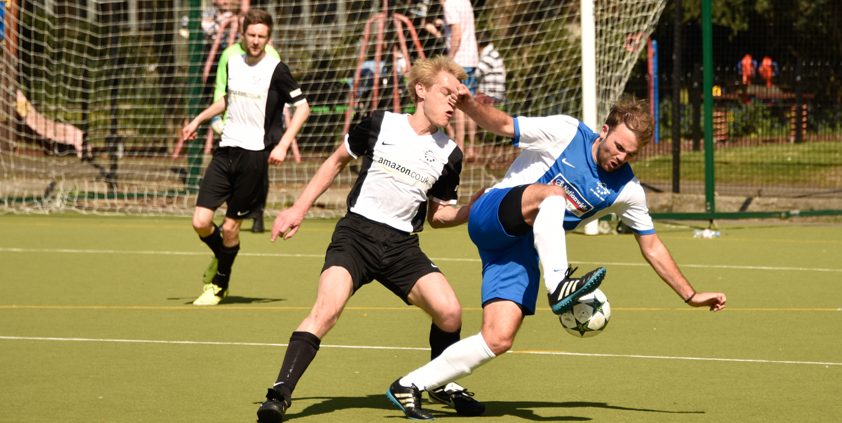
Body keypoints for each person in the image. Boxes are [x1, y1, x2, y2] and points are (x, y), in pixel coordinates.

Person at [385, 95, 728, 420]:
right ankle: (559, 284)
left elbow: (651, 246)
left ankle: (411, 384)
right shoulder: (567, 131)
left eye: (630, 154)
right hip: (492, 212)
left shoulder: (627, 190)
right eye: (619, 146)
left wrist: (691, 295)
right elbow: (504, 125)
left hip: (518, 248)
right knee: (554, 194)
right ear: (604, 130)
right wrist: (470, 105)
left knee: (499, 337)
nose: (621, 157)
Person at [256, 56, 486, 423]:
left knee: (450, 311)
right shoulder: (382, 123)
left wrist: (476, 209)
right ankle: (278, 395)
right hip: (356, 236)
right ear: (421, 90)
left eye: (455, 98)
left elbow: (439, 215)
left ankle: (440, 381)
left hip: (401, 247)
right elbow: (334, 162)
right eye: (445, 93)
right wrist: (297, 209)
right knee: (326, 311)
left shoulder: (450, 154)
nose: (451, 103)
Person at [181, 8, 310, 306]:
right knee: (200, 221)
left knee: (229, 228)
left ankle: (219, 284)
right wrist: (197, 120)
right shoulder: (233, 61)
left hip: (253, 157)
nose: (255, 41)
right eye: (251, 35)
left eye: (261, 36)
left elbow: (303, 108)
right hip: (226, 150)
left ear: (269, 37)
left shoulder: (277, 69)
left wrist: (283, 145)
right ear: (243, 34)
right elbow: (227, 99)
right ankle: (222, 256)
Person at [441, 0, 478, 160]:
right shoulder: (465, 2)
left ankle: (460, 147)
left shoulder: (449, 4)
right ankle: (471, 148)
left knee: (458, 106)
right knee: (470, 103)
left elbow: (456, 32)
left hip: (459, 60)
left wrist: (450, 57)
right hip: (472, 58)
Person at [474, 33, 506, 107]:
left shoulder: (489, 56)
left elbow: (477, 73)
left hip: (491, 94)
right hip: (494, 93)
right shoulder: (492, 53)